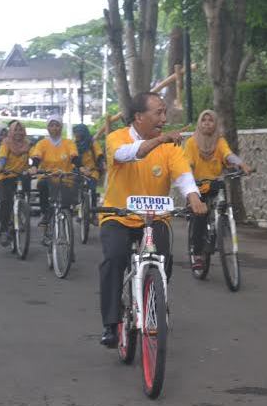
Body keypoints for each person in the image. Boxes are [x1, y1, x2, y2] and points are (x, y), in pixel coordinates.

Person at [99, 92, 206, 348]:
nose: (164, 118)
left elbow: (183, 176)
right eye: (158, 112)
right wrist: (161, 139)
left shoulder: (170, 146)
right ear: (138, 117)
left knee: (163, 259)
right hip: (119, 215)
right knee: (114, 259)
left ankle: (154, 305)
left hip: (154, 216)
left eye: (164, 112)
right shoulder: (116, 138)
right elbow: (128, 154)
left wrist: (194, 198)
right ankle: (111, 324)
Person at [183, 109, 253, 269]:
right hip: (197, 187)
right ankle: (197, 254)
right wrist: (189, 177)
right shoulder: (192, 143)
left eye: (210, 120)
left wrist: (241, 164)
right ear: (199, 124)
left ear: (215, 124)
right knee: (199, 216)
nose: (207, 123)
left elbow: (228, 155)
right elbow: (186, 164)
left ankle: (220, 227)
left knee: (222, 207)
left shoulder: (219, 142)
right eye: (203, 120)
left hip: (215, 184)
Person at [31, 115, 80, 228]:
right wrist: (34, 166)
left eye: (57, 125)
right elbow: (37, 157)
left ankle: (67, 217)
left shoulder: (68, 143)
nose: (54, 128)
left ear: (61, 127)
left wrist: (81, 166)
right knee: (42, 185)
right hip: (47, 177)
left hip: (65, 177)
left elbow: (74, 156)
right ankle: (44, 213)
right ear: (48, 128)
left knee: (66, 205)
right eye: (51, 125)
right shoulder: (42, 143)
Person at [0, 120, 31, 247]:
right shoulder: (6, 143)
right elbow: (2, 157)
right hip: (5, 175)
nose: (18, 132)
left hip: (22, 175)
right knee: (6, 201)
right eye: (15, 130)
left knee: (24, 200)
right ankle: (4, 230)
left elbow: (34, 156)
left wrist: (35, 168)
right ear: (11, 131)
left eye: (20, 130)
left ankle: (20, 217)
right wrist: (1, 166)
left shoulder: (28, 144)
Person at [72, 123, 105, 213]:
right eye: (75, 133)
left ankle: (93, 212)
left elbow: (99, 154)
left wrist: (102, 162)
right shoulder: (74, 144)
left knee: (92, 189)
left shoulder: (92, 143)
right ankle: (76, 207)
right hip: (78, 171)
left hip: (92, 171)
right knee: (74, 187)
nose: (76, 135)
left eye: (78, 132)